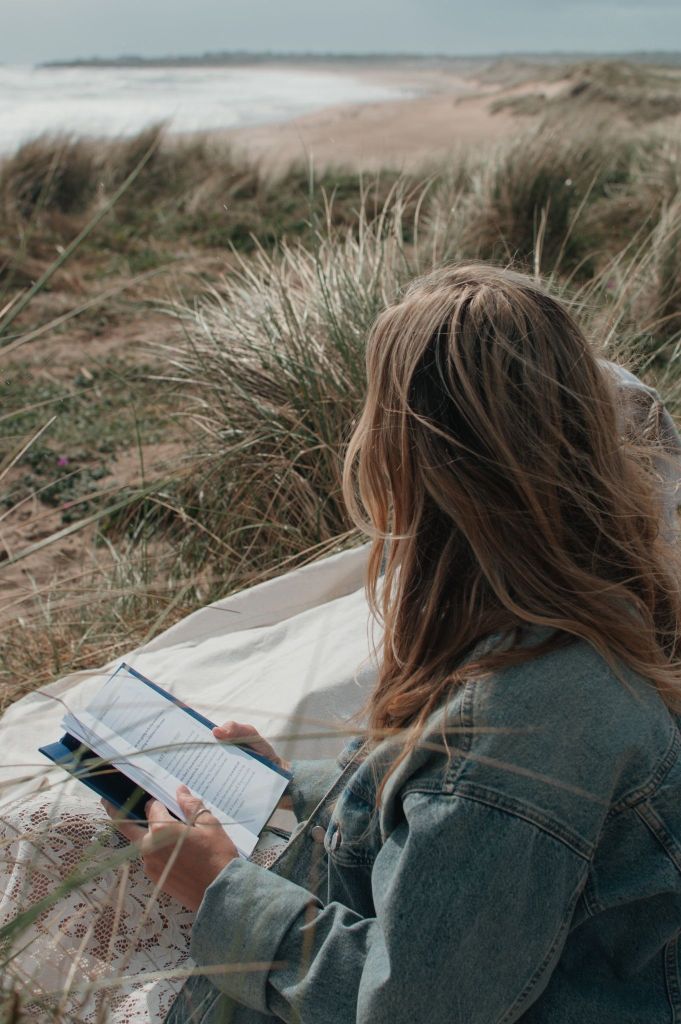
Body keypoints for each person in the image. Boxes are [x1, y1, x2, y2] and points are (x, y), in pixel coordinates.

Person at [98, 263, 681, 1024]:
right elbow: (449, 825)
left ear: (407, 458)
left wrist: (219, 892)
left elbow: (410, 1006)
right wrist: (295, 784)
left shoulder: (521, 715)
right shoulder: (574, 620)